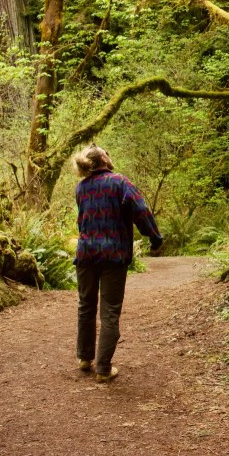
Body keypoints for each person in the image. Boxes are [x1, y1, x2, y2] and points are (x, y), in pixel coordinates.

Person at [72, 144, 163, 383]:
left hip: (85, 254)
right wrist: (154, 238)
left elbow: (82, 221)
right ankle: (103, 368)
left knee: (86, 306)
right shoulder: (120, 182)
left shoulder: (81, 187)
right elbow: (141, 211)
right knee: (109, 310)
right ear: (103, 158)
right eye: (107, 153)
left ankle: (84, 358)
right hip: (113, 255)